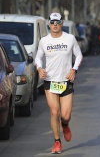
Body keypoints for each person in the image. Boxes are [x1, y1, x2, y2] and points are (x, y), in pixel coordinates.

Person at [35, 12, 83, 154]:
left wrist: (74, 70)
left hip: (66, 81)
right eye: (52, 22)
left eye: (57, 22)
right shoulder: (44, 41)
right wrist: (39, 68)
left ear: (61, 23)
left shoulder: (70, 38)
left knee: (65, 115)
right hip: (50, 81)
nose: (55, 24)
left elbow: (79, 55)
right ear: (49, 24)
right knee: (54, 112)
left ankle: (65, 124)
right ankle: (57, 142)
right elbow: (38, 57)